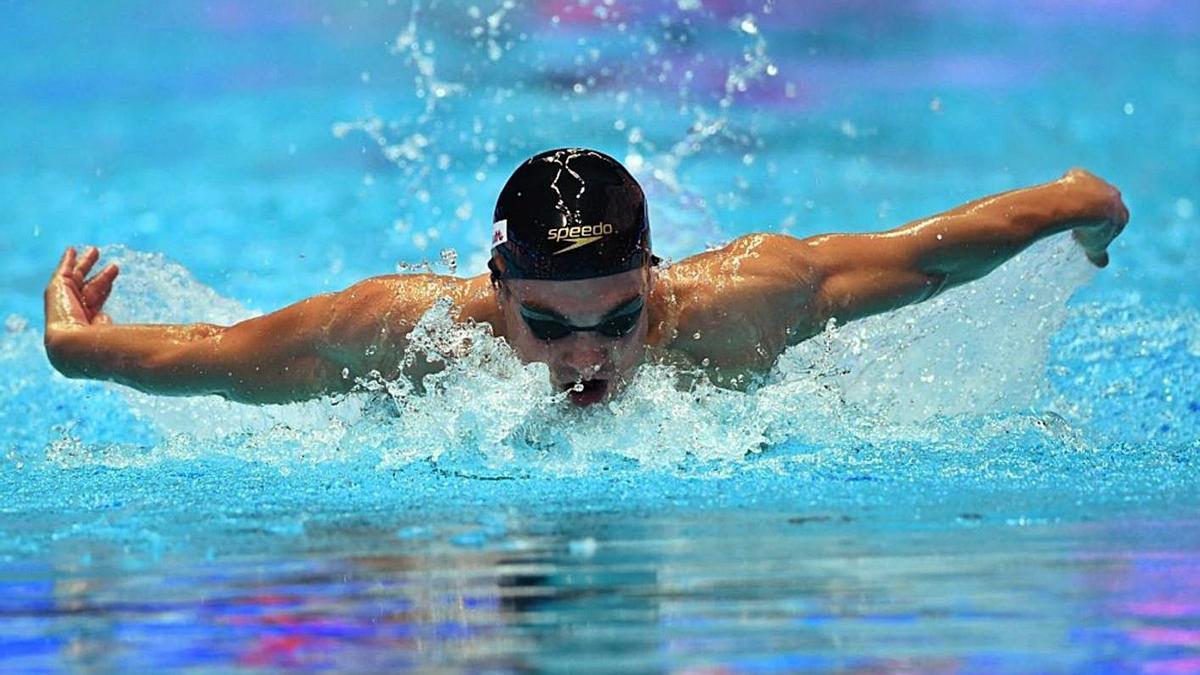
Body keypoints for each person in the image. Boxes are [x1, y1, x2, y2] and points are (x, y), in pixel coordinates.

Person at [43, 148, 1129, 407]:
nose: (589, 357)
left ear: (655, 277)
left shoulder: (744, 301)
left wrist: (1077, 209)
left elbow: (930, 253)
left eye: (620, 316)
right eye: (552, 327)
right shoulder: (408, 332)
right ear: (496, 286)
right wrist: (75, 346)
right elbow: (218, 361)